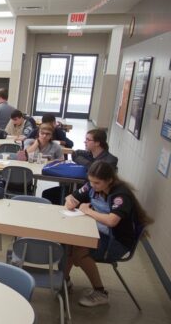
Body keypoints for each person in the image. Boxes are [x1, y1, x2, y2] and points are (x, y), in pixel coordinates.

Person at [64, 161, 152, 307]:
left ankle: (100, 293)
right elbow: (71, 197)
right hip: (100, 232)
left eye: (97, 183)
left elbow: (112, 221)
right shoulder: (92, 185)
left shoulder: (120, 194)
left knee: (79, 253)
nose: (92, 186)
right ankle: (63, 280)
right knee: (69, 244)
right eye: (91, 181)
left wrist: (88, 211)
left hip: (117, 241)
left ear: (109, 180)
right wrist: (71, 202)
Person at [42, 128, 118, 204]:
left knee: (57, 196)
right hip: (82, 188)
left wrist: (89, 165)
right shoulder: (90, 154)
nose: (85, 142)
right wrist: (88, 164)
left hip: (96, 195)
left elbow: (99, 177)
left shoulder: (110, 160)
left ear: (97, 143)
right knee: (48, 194)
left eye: (88, 140)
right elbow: (75, 153)